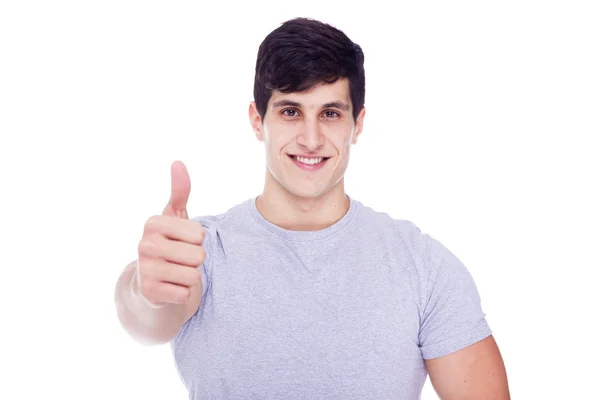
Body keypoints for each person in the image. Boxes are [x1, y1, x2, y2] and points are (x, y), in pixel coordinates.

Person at [114, 17, 510, 400]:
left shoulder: (423, 265)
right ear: (257, 120)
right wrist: (143, 291)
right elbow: (149, 318)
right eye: (290, 111)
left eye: (330, 114)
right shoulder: (201, 251)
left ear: (357, 124)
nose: (310, 138)